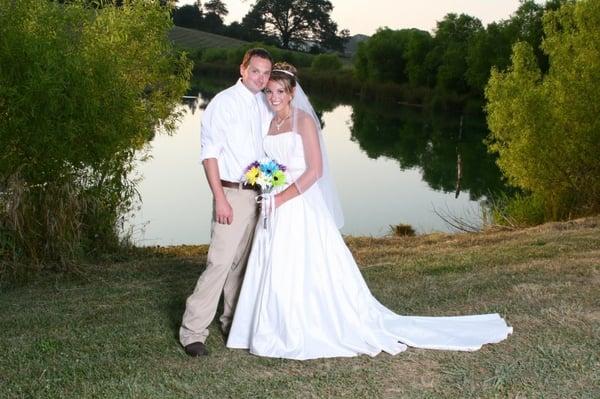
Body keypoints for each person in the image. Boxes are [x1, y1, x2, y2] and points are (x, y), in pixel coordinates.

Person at [226, 62, 512, 360]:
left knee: (301, 264)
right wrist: (265, 181)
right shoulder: (270, 123)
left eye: (280, 91)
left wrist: (281, 198)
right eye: (270, 91)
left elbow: (314, 171)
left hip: (299, 206)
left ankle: (301, 327)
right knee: (274, 263)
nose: (273, 96)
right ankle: (268, 325)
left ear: (292, 92)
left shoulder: (305, 122)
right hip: (274, 203)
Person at [179, 48, 273, 357]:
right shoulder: (223, 103)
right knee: (219, 263)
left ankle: (232, 322)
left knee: (242, 265)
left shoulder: (265, 104)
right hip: (231, 193)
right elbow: (210, 154)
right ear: (243, 69)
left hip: (258, 194)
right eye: (255, 70)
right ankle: (193, 331)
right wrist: (220, 198)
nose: (260, 77)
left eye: (266, 72)